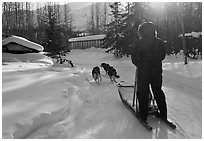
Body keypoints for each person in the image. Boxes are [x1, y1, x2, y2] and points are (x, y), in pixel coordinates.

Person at [131, 22, 167, 122]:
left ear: (141, 32)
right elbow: (162, 56)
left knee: (143, 93)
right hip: (156, 71)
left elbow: (134, 58)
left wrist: (140, 64)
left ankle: (143, 116)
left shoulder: (139, 43)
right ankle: (163, 114)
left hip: (143, 72)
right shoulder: (160, 42)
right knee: (158, 91)